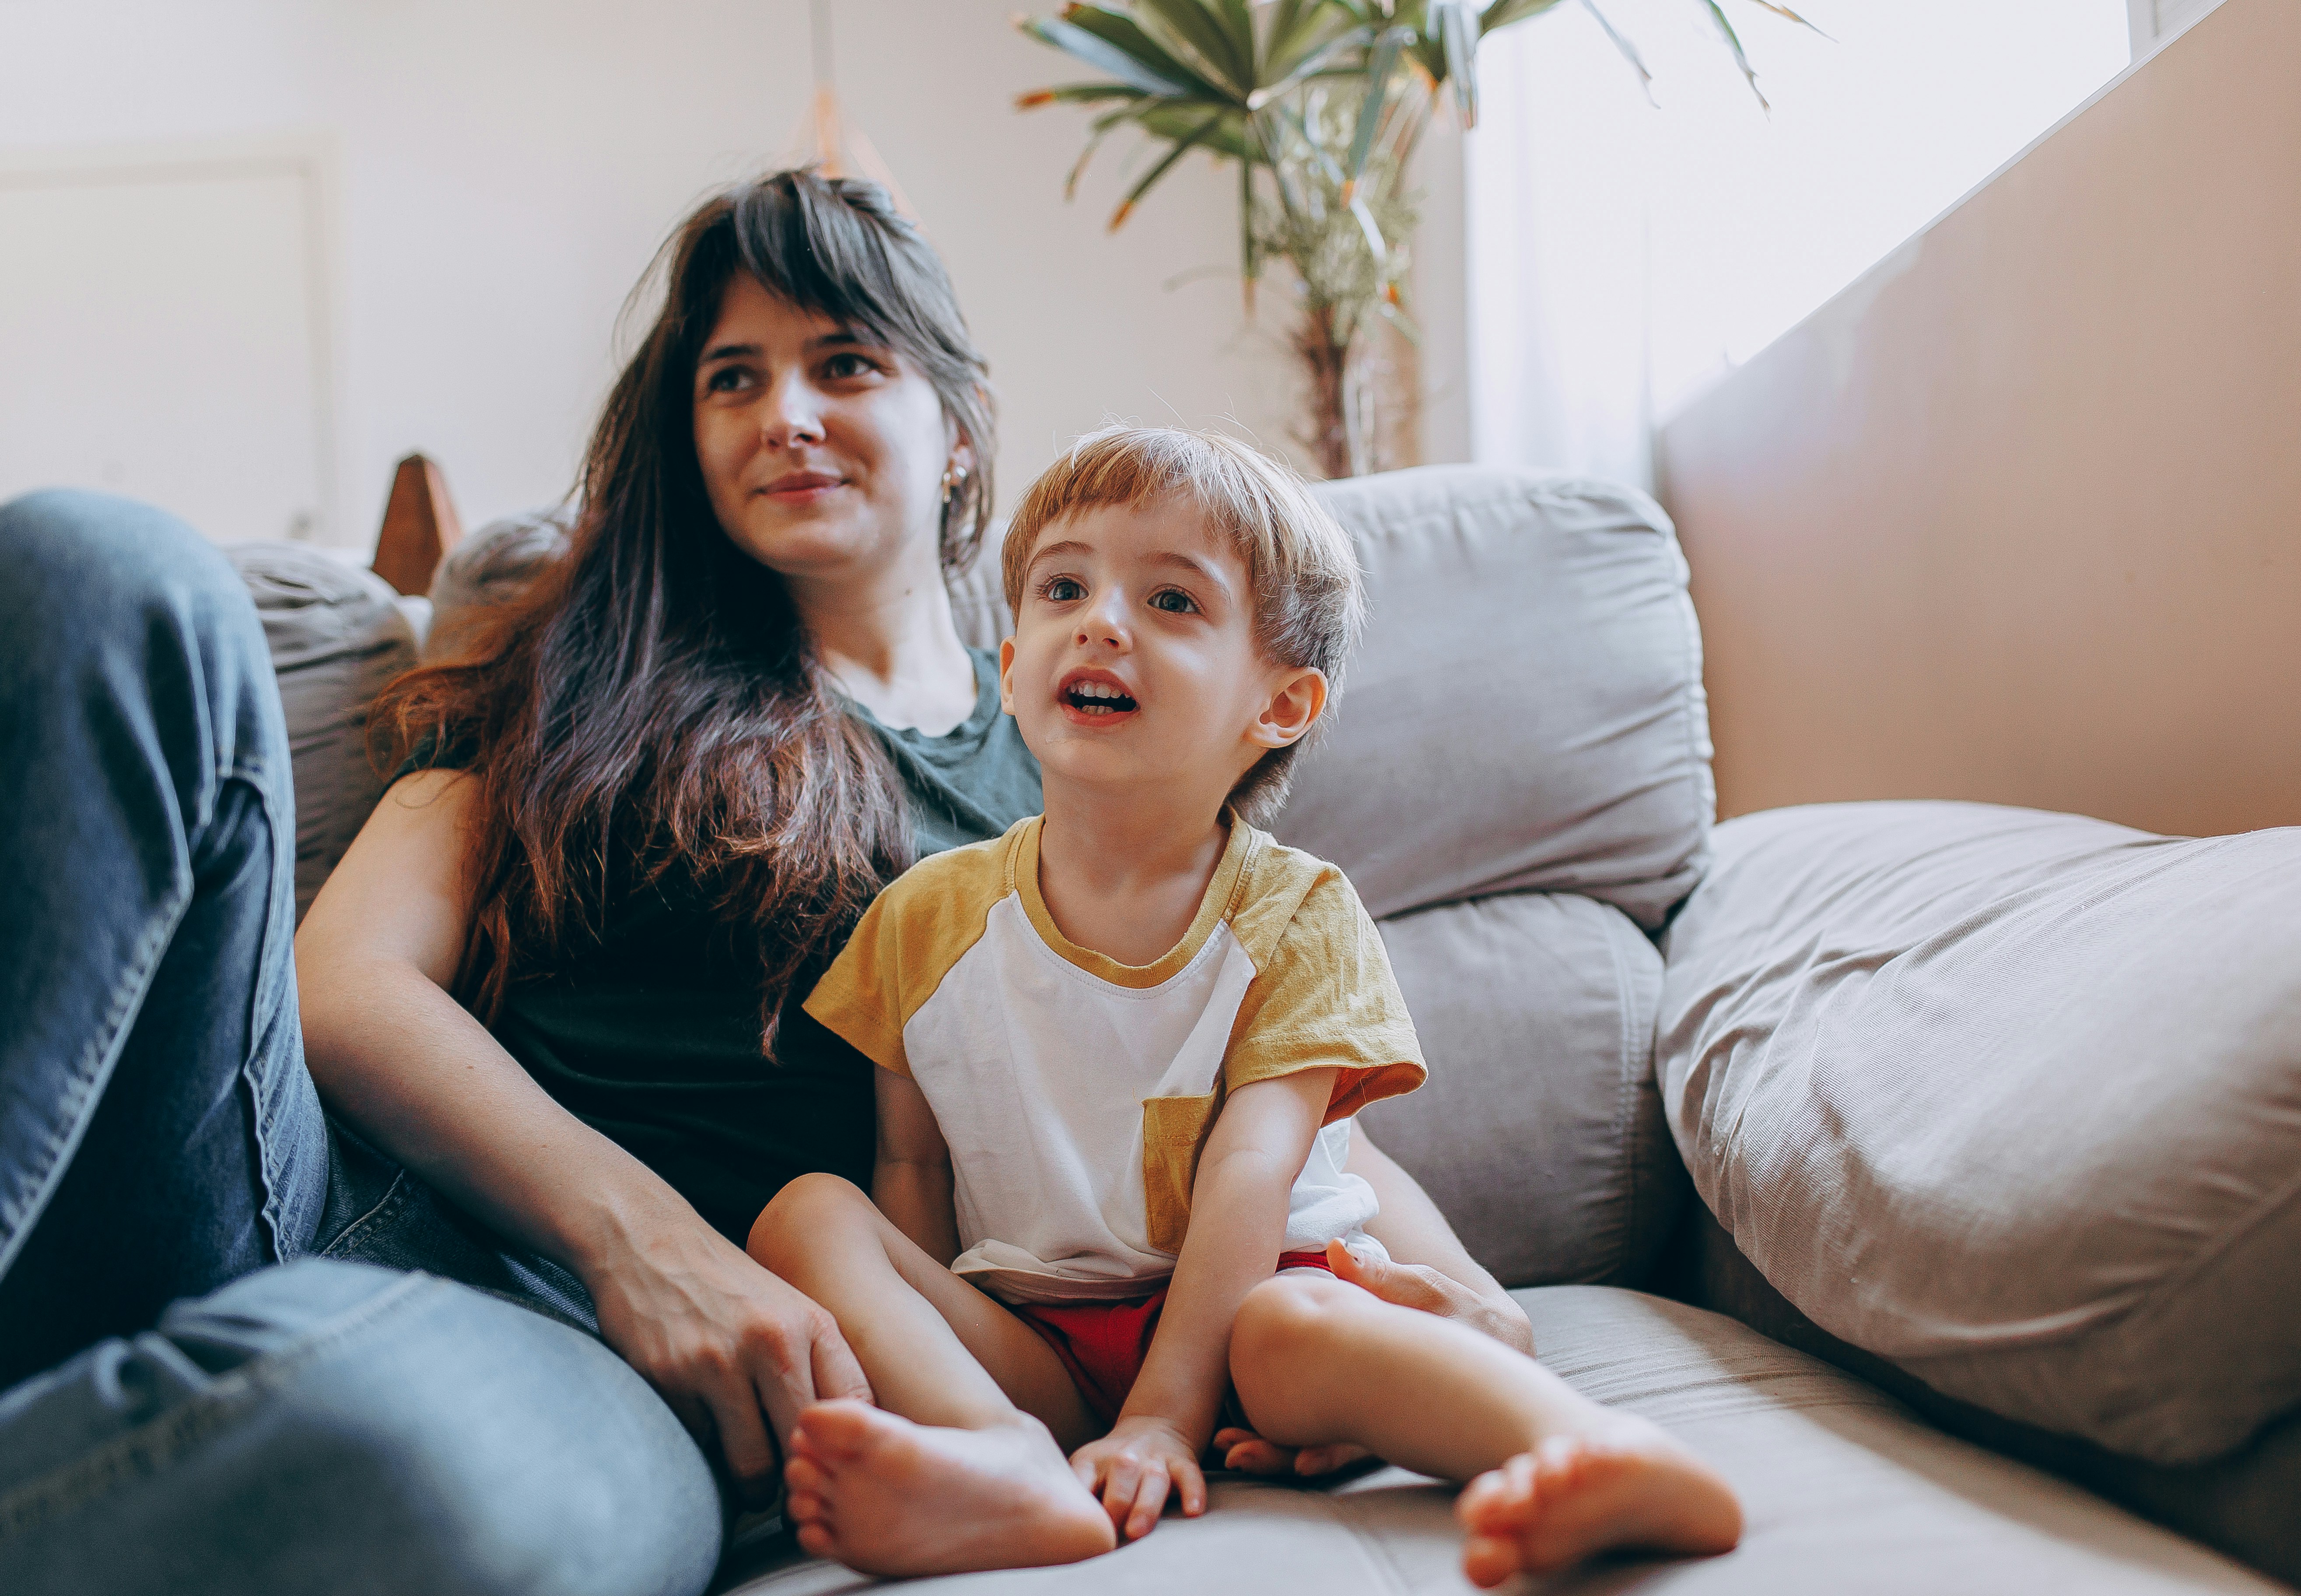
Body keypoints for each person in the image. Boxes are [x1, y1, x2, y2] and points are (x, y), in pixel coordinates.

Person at [0, 170, 1526, 1592]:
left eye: (845, 363)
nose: (782, 412)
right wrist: (639, 1237)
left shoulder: (1096, 755)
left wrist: (1475, 1309)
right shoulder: (598, 667)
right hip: (305, 1196)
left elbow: (1267, 1070)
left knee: (389, 1471)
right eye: (732, 377)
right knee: (108, 572)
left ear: (963, 426)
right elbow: (343, 985)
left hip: (657, 1382)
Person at [746, 427, 1744, 1587]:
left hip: (1248, 1310)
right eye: (1065, 586)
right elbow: (912, 1178)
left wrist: (1167, 1417)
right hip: (1038, 1348)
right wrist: (935, 1375)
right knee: (806, 1214)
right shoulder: (922, 919)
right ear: (1013, 663)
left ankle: (1597, 1451)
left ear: (1280, 704)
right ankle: (998, 1463)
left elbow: (1252, 1177)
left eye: (1171, 599)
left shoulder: (1296, 914)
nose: (1102, 620)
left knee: (1293, 1331)